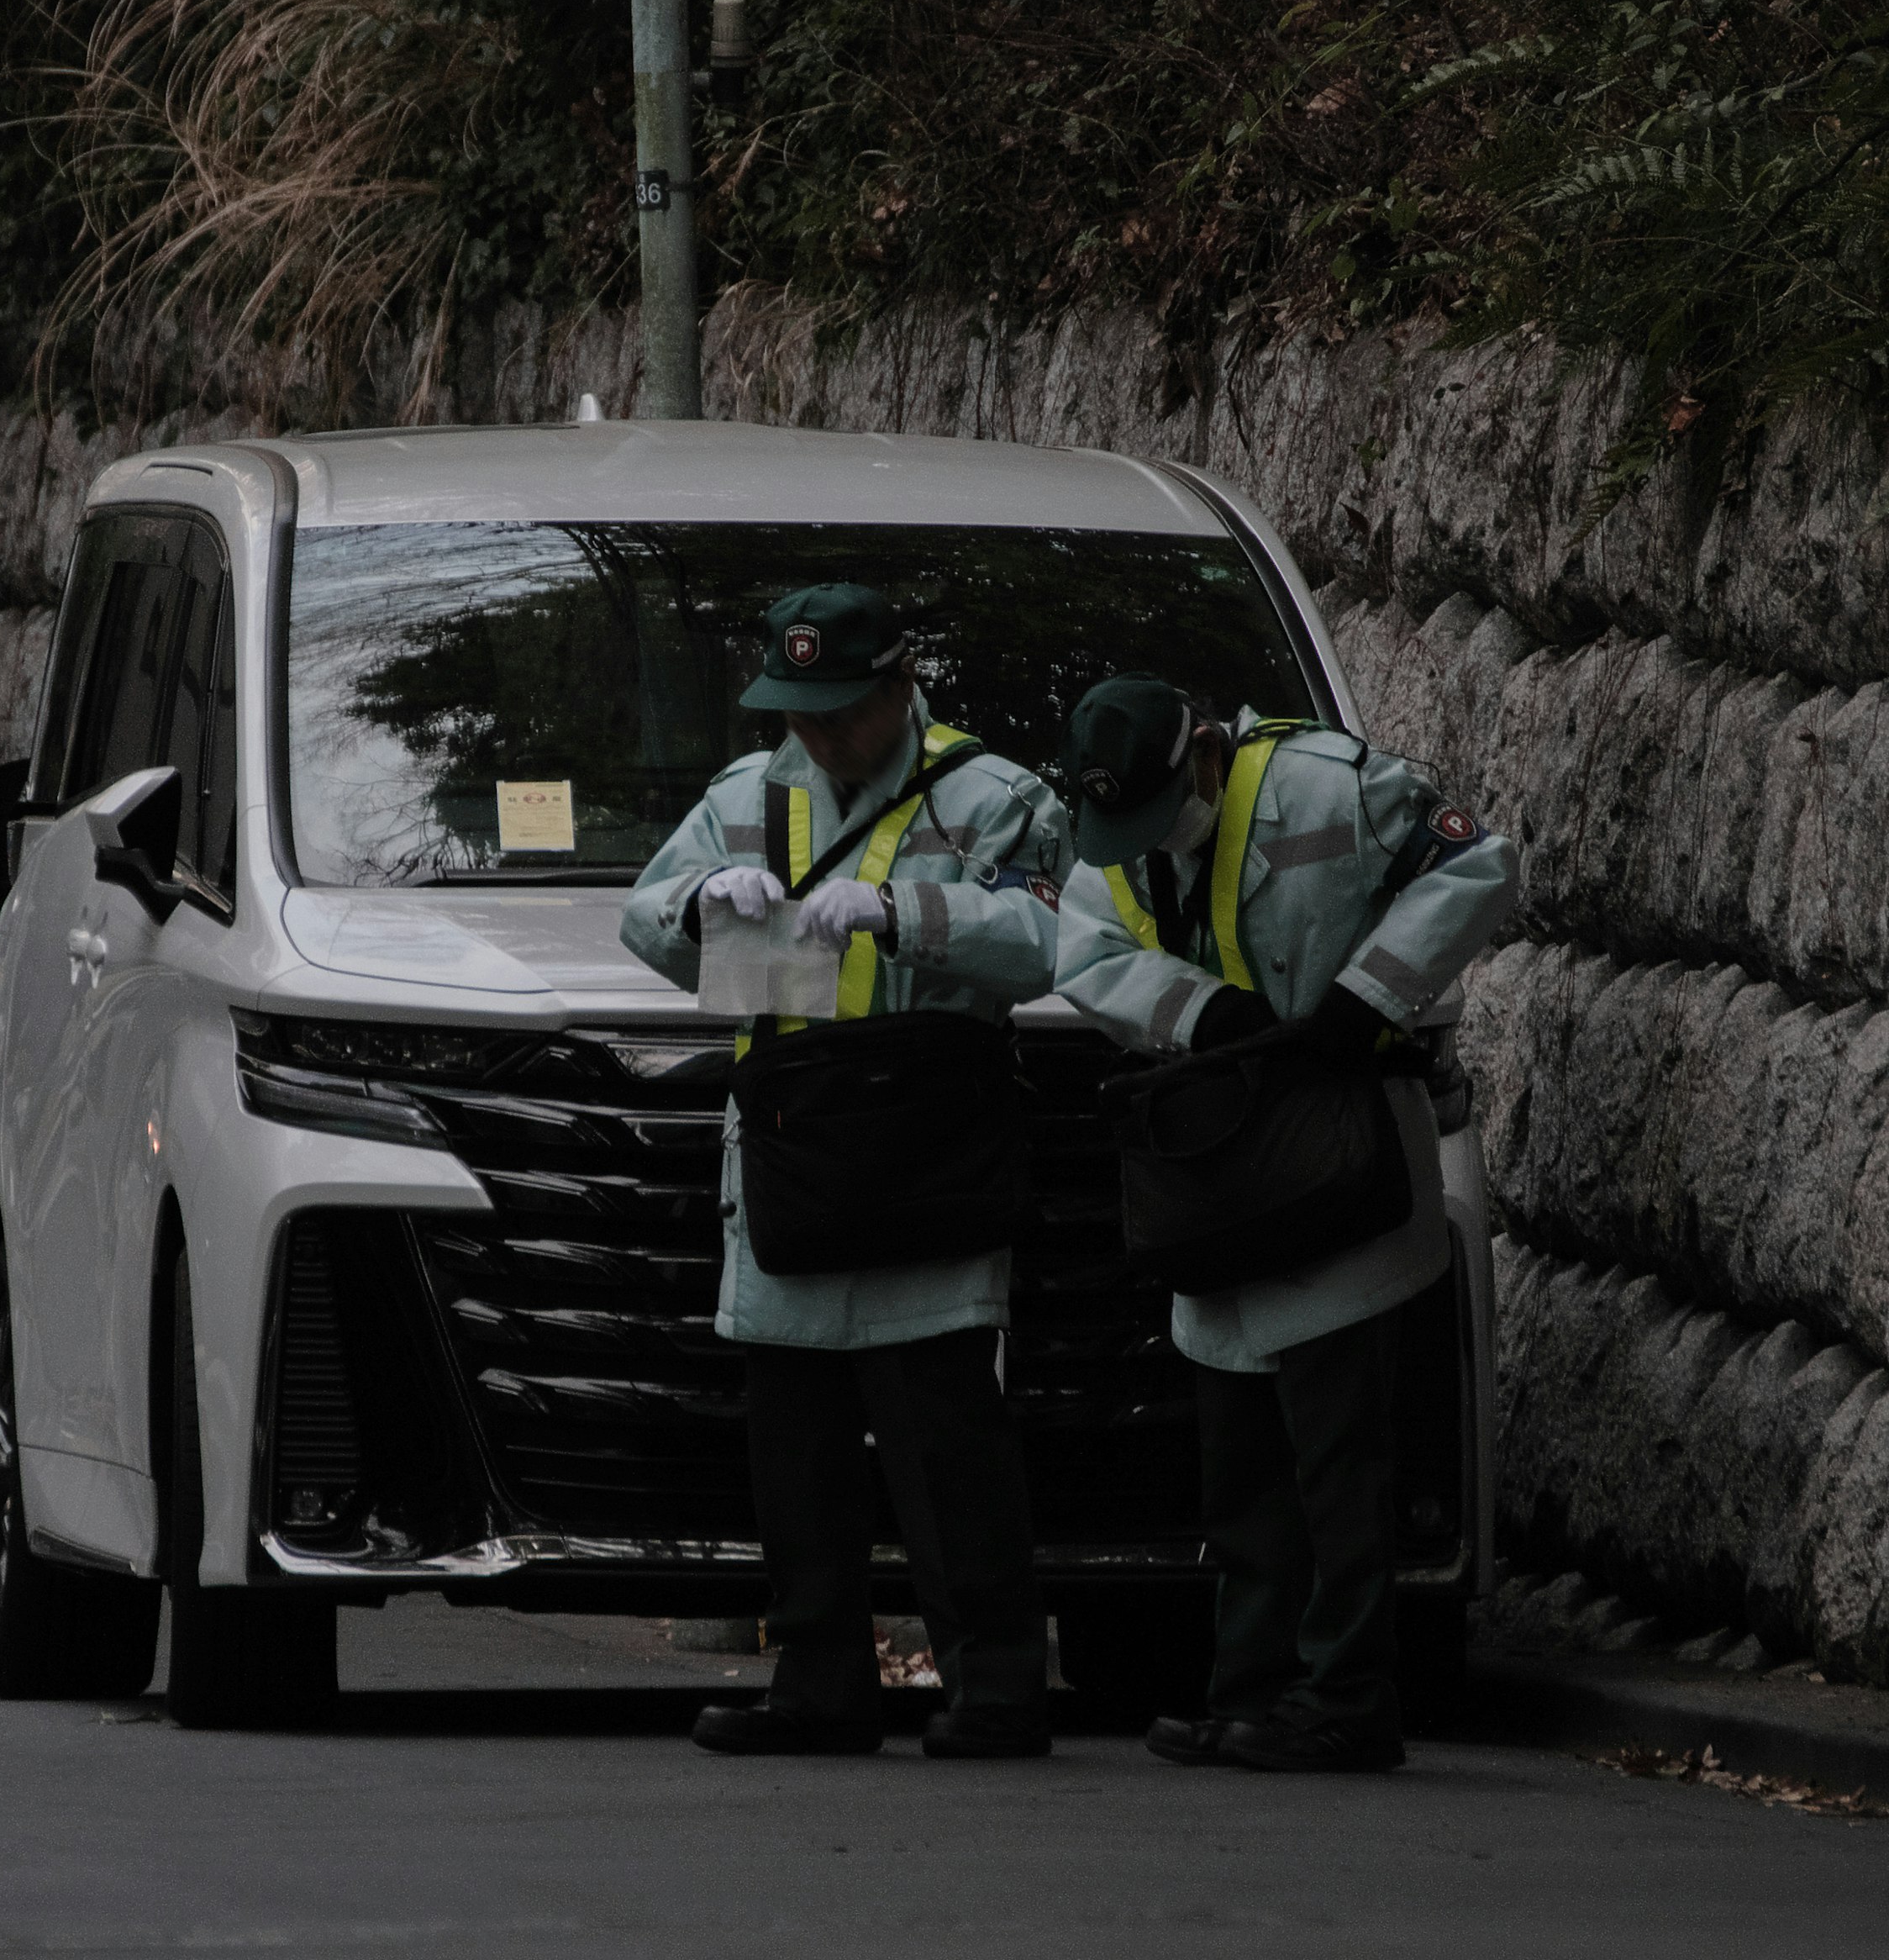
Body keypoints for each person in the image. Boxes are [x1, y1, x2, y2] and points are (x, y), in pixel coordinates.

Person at [621, 583, 1069, 1760]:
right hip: (795, 1157)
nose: (817, 735)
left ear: (898, 686)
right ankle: (820, 1680)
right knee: (796, 1442)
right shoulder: (748, 797)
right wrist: (698, 900)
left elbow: (1048, 943)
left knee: (946, 1440)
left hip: (928, 1150)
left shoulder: (995, 799)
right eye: (797, 710)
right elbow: (645, 920)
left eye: (838, 712)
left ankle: (998, 1687)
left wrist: (906, 912)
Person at [1052, 674, 1518, 1773]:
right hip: (1221, 1166)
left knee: (1337, 1458)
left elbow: (1479, 866)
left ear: (1202, 755)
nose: (1148, 840)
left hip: (1335, 1151)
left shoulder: (1330, 788)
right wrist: (1203, 1010)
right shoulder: (1110, 836)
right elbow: (1086, 955)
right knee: (1245, 1466)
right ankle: (1253, 1691)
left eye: (1163, 810)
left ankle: (1348, 1696)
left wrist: (1370, 993)